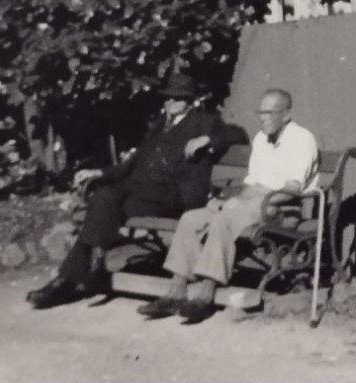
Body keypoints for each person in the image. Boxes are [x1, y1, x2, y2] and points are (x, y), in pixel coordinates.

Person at [26, 70, 245, 309]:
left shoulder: (204, 120)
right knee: (104, 200)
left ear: (190, 100)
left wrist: (207, 141)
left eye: (177, 97)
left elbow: (236, 134)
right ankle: (77, 273)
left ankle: (72, 277)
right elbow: (134, 161)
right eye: (168, 97)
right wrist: (100, 173)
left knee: (104, 199)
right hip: (142, 192)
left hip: (173, 195)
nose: (170, 101)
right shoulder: (160, 124)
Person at [137, 88, 320, 324]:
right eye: (260, 112)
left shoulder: (302, 139)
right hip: (256, 204)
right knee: (192, 218)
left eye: (268, 113)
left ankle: (206, 292)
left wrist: (246, 204)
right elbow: (253, 184)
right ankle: (177, 290)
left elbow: (293, 190)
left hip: (284, 208)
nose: (262, 118)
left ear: (285, 114)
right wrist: (230, 201)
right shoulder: (261, 139)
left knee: (225, 220)